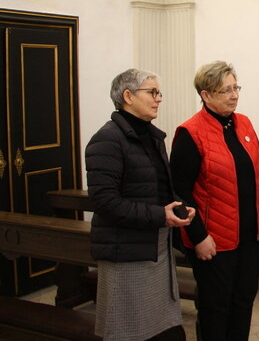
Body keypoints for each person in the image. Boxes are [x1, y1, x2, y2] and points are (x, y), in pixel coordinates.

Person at [170, 61, 259, 341]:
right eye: (225, 90)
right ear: (206, 95)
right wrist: (199, 236)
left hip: (248, 235)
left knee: (244, 300)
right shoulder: (190, 133)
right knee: (215, 307)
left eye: (235, 87)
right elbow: (179, 191)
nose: (234, 95)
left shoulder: (244, 123)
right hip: (213, 239)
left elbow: (258, 169)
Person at [85, 68, 195, 341]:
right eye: (152, 92)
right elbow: (105, 201)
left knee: (161, 328)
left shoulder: (151, 136)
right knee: (130, 330)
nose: (158, 98)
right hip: (126, 250)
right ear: (128, 96)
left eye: (159, 93)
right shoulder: (107, 139)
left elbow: (154, 187)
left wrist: (177, 208)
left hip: (154, 243)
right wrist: (160, 215)